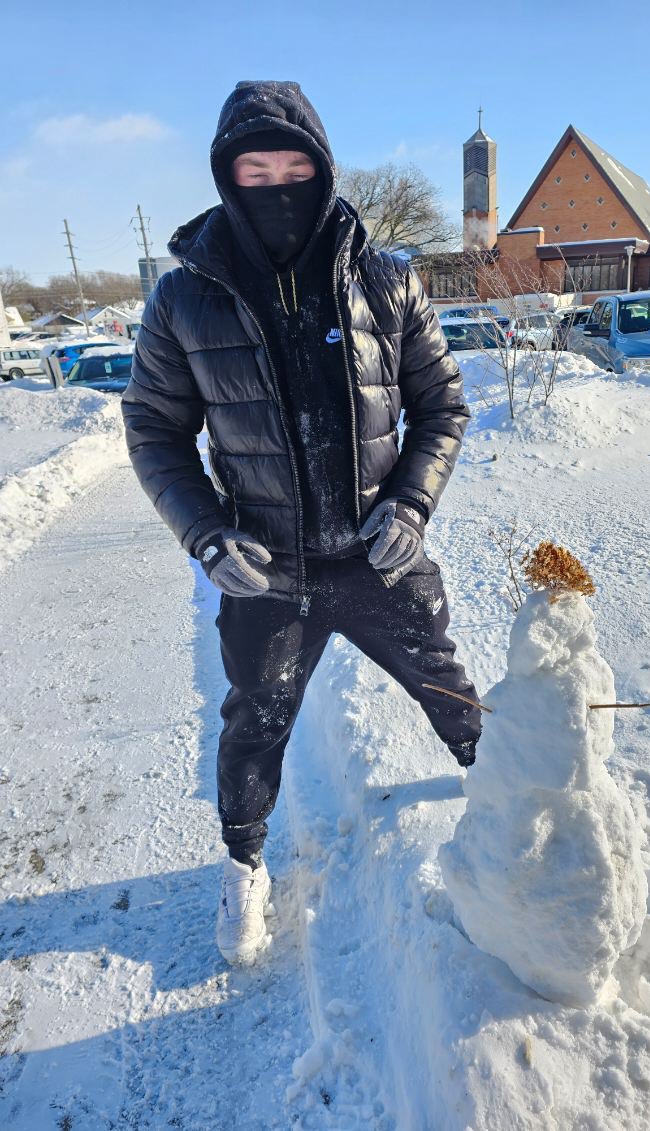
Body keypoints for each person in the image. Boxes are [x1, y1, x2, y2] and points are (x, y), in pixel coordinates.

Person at [121, 80, 482, 965]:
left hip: (376, 558)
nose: (277, 181)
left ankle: (519, 810)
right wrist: (207, 534)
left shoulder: (387, 280)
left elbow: (442, 406)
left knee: (450, 691)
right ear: (226, 174)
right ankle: (245, 867)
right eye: (256, 165)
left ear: (321, 169)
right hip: (266, 570)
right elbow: (154, 431)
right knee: (255, 720)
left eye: (294, 164)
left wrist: (411, 501)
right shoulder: (184, 298)